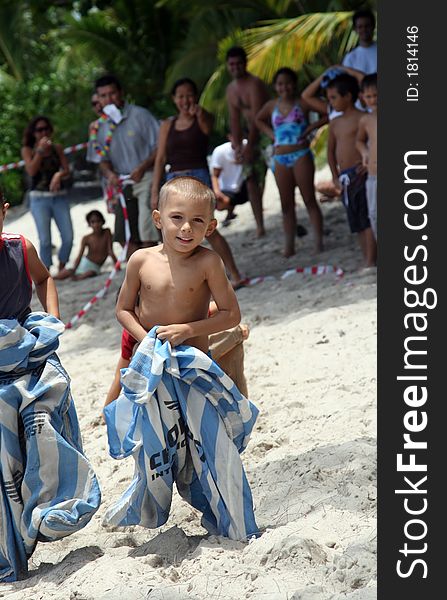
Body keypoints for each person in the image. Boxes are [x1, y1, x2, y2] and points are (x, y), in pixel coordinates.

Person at [103, 176, 258, 541]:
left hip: (194, 372)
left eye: (198, 221)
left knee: (212, 445)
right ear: (158, 219)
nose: (186, 228)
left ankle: (235, 524)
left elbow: (231, 314)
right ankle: (149, 506)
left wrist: (187, 330)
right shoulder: (140, 260)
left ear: (212, 225)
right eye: (176, 218)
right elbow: (123, 309)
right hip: (155, 374)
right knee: (159, 449)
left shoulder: (209, 262)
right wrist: (148, 341)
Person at [0, 189, 100, 582]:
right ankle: (13, 543)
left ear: (4, 211)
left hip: (29, 360)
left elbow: (44, 280)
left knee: (42, 430)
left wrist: (51, 322)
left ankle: (51, 509)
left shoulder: (20, 248)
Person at [151, 78, 245, 288]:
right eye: (180, 96)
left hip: (198, 177)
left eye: (189, 95)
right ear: (174, 99)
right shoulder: (167, 124)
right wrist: (154, 192)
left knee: (207, 229)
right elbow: (160, 158)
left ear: (196, 96)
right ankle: (183, 281)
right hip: (173, 179)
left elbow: (206, 129)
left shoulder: (203, 117)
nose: (185, 100)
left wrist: (199, 113)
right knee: (173, 231)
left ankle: (235, 273)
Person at [255, 67, 326, 257]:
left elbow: (328, 114)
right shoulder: (271, 106)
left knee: (309, 199)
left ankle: (318, 242)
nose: (284, 87)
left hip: (301, 154)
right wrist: (272, 135)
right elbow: (258, 120)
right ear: (275, 86)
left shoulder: (302, 103)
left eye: (287, 83)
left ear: (294, 84)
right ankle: (289, 246)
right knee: (286, 205)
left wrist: (311, 127)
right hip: (280, 157)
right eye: (280, 84)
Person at [87, 74, 160, 255]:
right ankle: (140, 278)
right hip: (122, 182)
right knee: (123, 234)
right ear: (98, 99)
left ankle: (154, 276)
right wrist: (110, 175)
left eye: (112, 94)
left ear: (121, 93)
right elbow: (101, 160)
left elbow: (161, 147)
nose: (108, 99)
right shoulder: (98, 127)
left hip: (146, 177)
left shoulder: (140, 115)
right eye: (103, 96)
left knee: (147, 230)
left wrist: (142, 167)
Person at [325, 74, 376, 267]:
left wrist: (368, 162)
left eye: (334, 97)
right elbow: (330, 151)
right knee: (355, 221)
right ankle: (366, 257)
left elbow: (370, 142)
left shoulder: (363, 118)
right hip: (344, 175)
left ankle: (371, 260)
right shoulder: (335, 123)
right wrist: (334, 176)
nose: (331, 102)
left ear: (348, 96)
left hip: (360, 174)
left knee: (366, 218)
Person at [225, 46, 270, 237]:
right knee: (251, 179)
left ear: (245, 63)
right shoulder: (231, 90)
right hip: (249, 137)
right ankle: (260, 224)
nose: (235, 67)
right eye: (232, 64)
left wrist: (250, 146)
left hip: (266, 134)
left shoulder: (255, 84)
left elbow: (258, 118)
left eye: (238, 63)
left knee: (270, 176)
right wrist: (237, 146)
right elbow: (235, 119)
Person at [21, 115, 73, 274]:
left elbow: (67, 170)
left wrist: (58, 175)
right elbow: (31, 170)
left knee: (68, 236)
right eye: (39, 130)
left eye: (46, 129)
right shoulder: (28, 150)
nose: (43, 132)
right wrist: (40, 152)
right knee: (45, 240)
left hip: (59, 197)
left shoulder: (57, 148)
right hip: (39, 199)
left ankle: (62, 266)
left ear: (50, 130)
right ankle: (46, 272)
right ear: (33, 133)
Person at [55, 209, 118, 280]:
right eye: (93, 222)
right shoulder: (86, 238)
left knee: (90, 273)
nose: (96, 224)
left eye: (98, 221)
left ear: (102, 221)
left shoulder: (107, 232)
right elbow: (80, 255)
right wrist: (74, 269)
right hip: (83, 263)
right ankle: (52, 278)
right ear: (89, 224)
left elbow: (110, 251)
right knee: (67, 271)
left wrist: (117, 266)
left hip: (95, 267)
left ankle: (77, 278)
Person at [210, 135, 250, 225]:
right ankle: (230, 213)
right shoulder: (220, 151)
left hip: (244, 187)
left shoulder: (248, 146)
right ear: (229, 136)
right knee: (219, 204)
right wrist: (217, 192)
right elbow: (215, 175)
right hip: (228, 190)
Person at [356, 73, 377, 239]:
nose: (373, 100)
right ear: (362, 97)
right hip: (373, 175)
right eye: (369, 96)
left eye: (376, 95)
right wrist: (364, 153)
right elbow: (360, 141)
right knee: (374, 215)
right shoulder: (366, 120)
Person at [342, 9, 377, 76]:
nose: (364, 29)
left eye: (367, 26)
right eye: (360, 27)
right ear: (355, 29)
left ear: (373, 26)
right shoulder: (350, 57)